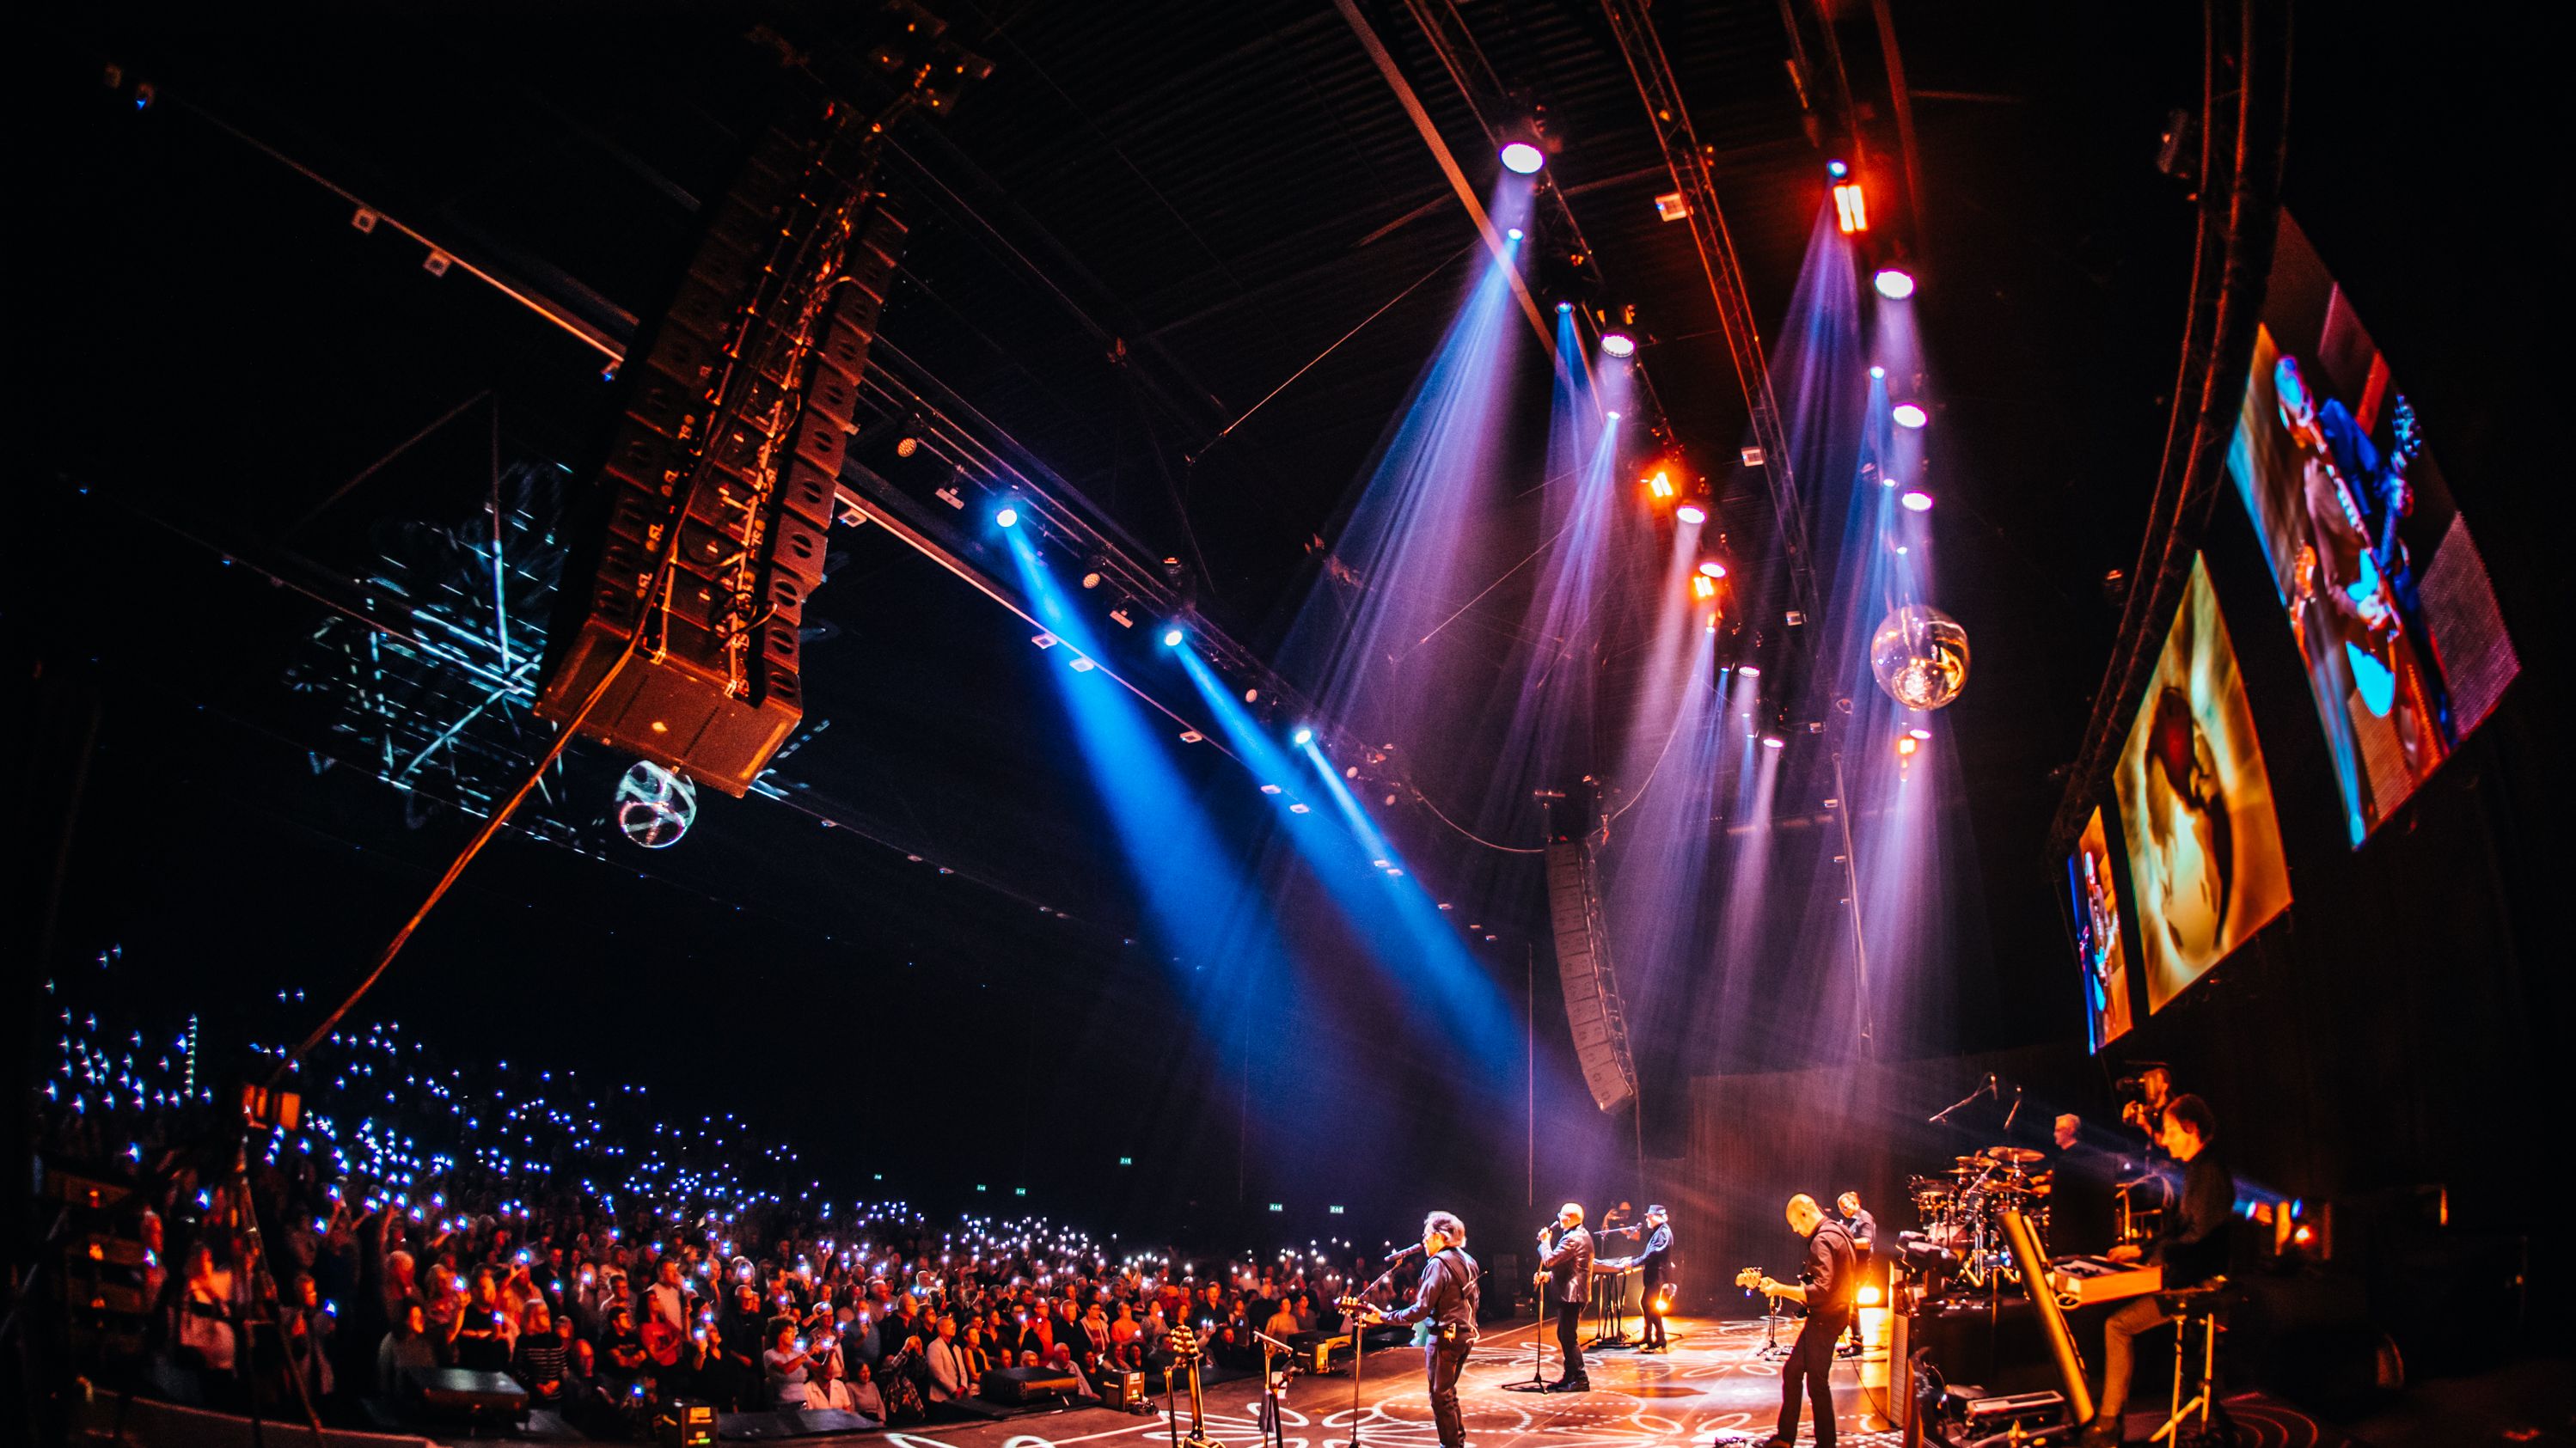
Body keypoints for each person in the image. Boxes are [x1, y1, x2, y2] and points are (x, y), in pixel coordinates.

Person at [2084, 1095, 2232, 1445]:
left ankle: (2109, 1423)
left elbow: (2197, 1238)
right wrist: (2139, 1250)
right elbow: (2180, 1230)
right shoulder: (2199, 1168)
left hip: (2198, 1284)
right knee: (2115, 1320)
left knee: (2117, 1326)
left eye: (2169, 1129)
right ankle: (2109, 1418)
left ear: (2191, 1129)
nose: (2164, 1138)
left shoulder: (2209, 1173)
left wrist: (2153, 1261)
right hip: (2183, 1273)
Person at [1353, 1212, 1478, 1448]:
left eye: (1427, 1235)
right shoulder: (1469, 1260)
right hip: (1465, 1335)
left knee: (1440, 1397)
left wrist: (1385, 1318)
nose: (1423, 1240)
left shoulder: (1438, 1264)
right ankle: (1456, 1443)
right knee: (1447, 1393)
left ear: (1441, 1237)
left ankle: (1451, 1445)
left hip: (1445, 1337)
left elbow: (1421, 1309)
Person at [1743, 1194, 1857, 1448]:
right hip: (1835, 1315)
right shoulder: (1841, 1231)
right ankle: (1786, 1438)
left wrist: (1779, 1289)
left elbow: (1821, 1290)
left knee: (1817, 1384)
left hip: (1825, 1320)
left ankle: (1823, 1443)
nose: (1795, 1230)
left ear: (1806, 1212)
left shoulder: (1822, 1239)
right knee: (1793, 1372)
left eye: (1795, 1223)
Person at [1534, 1202, 1594, 1391]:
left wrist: (1545, 1242)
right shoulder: (1578, 1235)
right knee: (1565, 1335)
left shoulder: (1573, 1239)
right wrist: (1548, 1276)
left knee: (1569, 1337)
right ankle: (1570, 1376)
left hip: (1572, 1295)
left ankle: (1580, 1379)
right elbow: (1569, 1268)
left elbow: (1550, 1260)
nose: (1558, 1218)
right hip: (1573, 1293)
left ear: (1568, 1218)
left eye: (1561, 1215)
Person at [1834, 1192, 1876, 1357]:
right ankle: (1854, 1341)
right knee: (1850, 1303)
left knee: (1852, 1304)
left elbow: (1866, 1242)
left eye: (1846, 1207)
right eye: (1841, 1209)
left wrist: (1844, 1241)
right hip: (1853, 1268)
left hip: (1861, 1268)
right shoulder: (1854, 1220)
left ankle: (1857, 1344)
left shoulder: (1865, 1218)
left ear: (1855, 1202)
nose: (1844, 1211)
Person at [1632, 1206, 1673, 1353]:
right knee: (1646, 1303)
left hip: (1657, 1275)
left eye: (1650, 1216)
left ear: (1658, 1217)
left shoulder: (1663, 1232)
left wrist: (1633, 1262)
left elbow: (1653, 1254)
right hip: (1653, 1274)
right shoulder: (1657, 1231)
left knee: (1650, 1305)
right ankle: (1649, 1336)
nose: (1647, 1219)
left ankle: (1660, 1337)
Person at [379, 1301, 439, 1393]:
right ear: (405, 1321)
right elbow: (384, 1376)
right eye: (416, 1318)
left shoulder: (424, 1345)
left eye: (421, 1316)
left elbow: (431, 1376)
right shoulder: (391, 1342)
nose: (421, 1321)